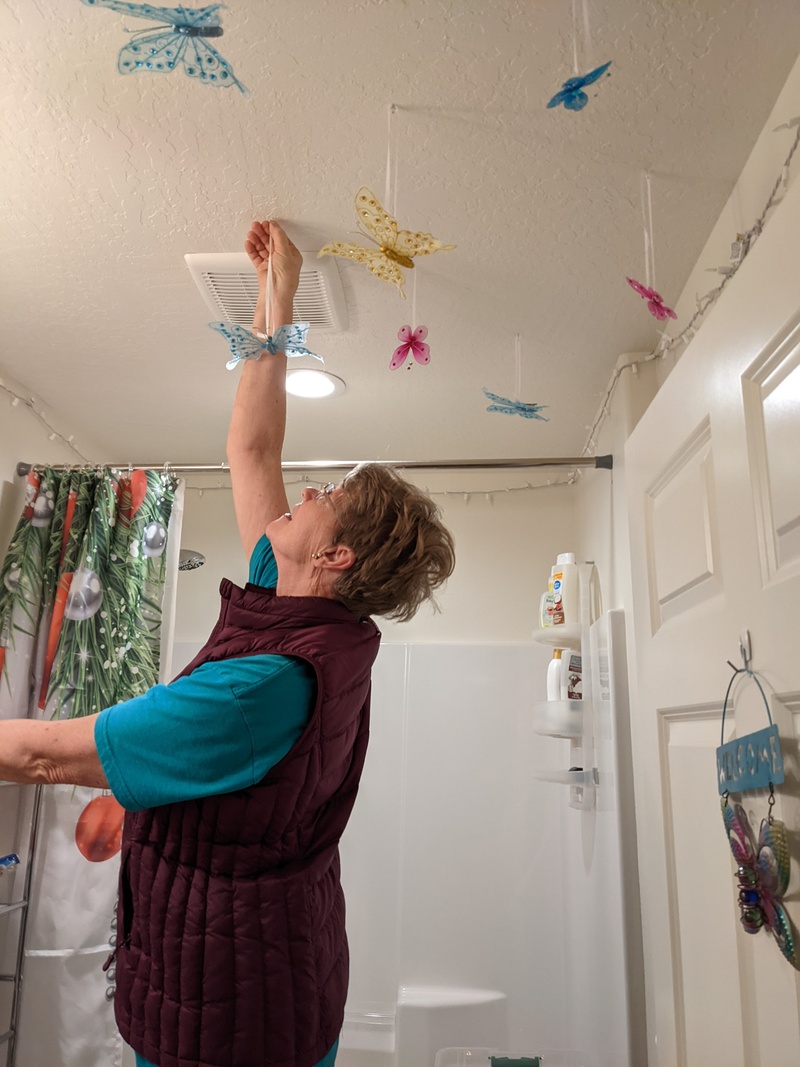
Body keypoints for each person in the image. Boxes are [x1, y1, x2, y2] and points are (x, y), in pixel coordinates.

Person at [0, 219, 455, 1067]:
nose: (309, 487)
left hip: (232, 1023)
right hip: (260, 976)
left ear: (334, 554)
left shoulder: (265, 687)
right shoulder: (302, 610)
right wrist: (275, 293)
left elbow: (46, 757)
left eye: (328, 496)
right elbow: (252, 448)